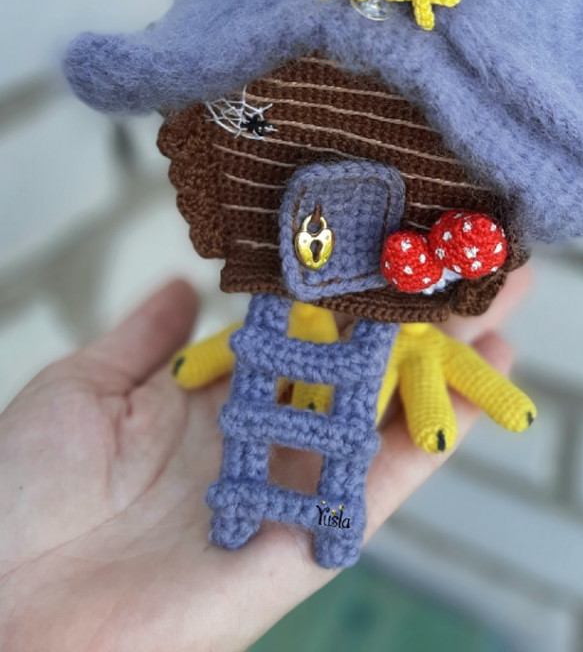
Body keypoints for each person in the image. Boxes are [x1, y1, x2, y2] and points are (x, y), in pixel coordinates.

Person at [0, 269, 529, 652]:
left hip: (373, 341)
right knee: (325, 506)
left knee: (335, 509)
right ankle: (312, 518)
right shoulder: (276, 319)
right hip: (295, 338)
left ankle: (323, 519)